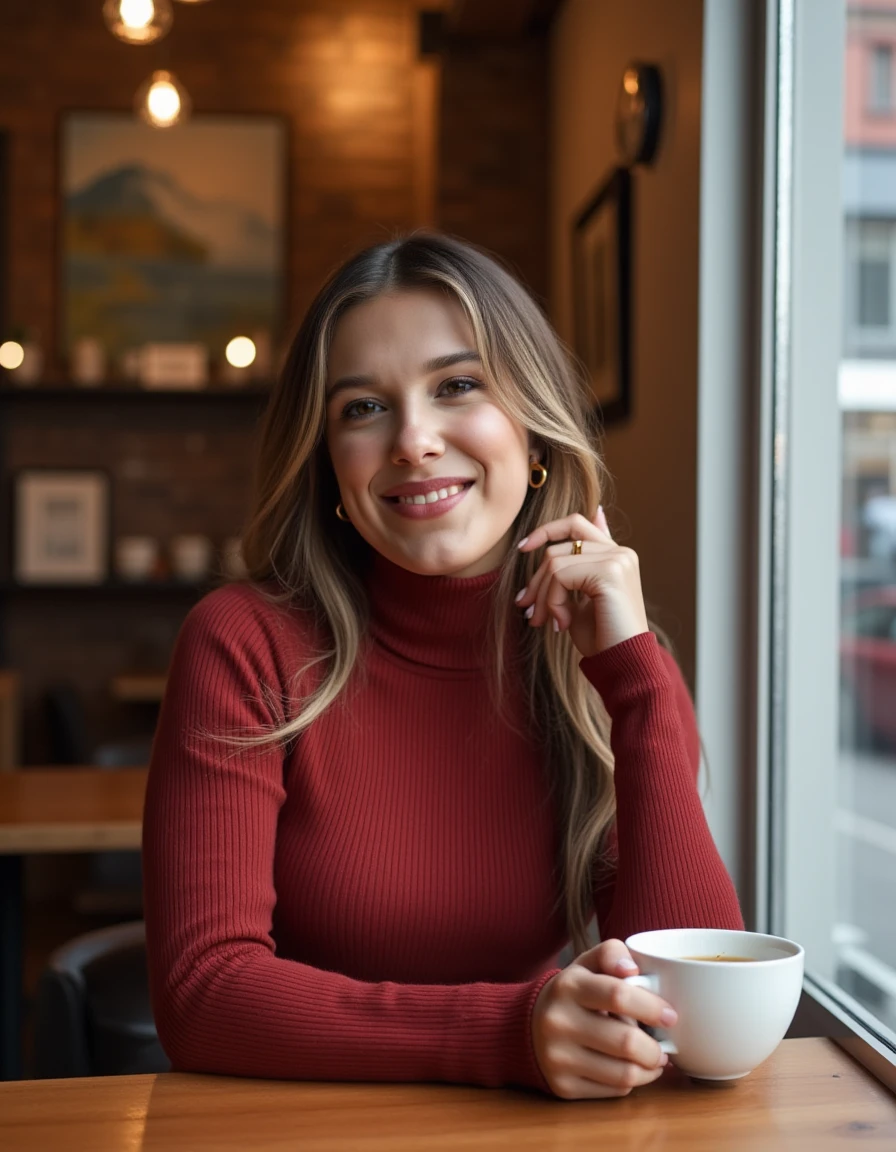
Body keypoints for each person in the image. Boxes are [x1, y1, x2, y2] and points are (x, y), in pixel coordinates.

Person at [142, 232, 743, 1101]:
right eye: (362, 408)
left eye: (457, 386)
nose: (414, 441)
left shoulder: (612, 666)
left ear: (532, 429)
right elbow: (203, 995)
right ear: (329, 468)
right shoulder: (243, 643)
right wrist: (508, 1033)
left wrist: (637, 679)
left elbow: (693, 1010)